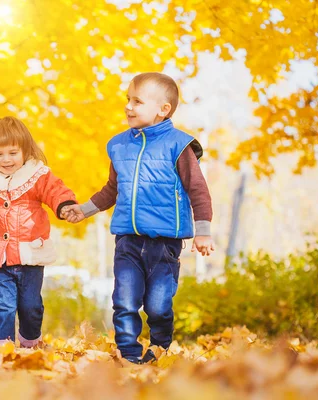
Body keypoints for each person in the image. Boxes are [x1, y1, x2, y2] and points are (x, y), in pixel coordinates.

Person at [63, 72, 215, 364]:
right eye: (127, 100)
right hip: (128, 241)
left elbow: (198, 190)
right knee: (124, 300)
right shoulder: (119, 146)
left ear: (163, 109)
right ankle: (129, 354)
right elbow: (111, 189)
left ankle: (159, 349)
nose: (129, 107)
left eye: (137, 101)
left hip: (165, 243)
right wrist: (84, 209)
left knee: (158, 306)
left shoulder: (178, 146)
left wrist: (203, 231)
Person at [0, 116, 77, 347]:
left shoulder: (37, 176)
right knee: (3, 305)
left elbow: (55, 191)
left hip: (30, 255)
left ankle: (30, 340)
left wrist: (64, 205)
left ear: (25, 150)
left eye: (13, 153)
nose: (6, 160)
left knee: (30, 306)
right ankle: (2, 345)